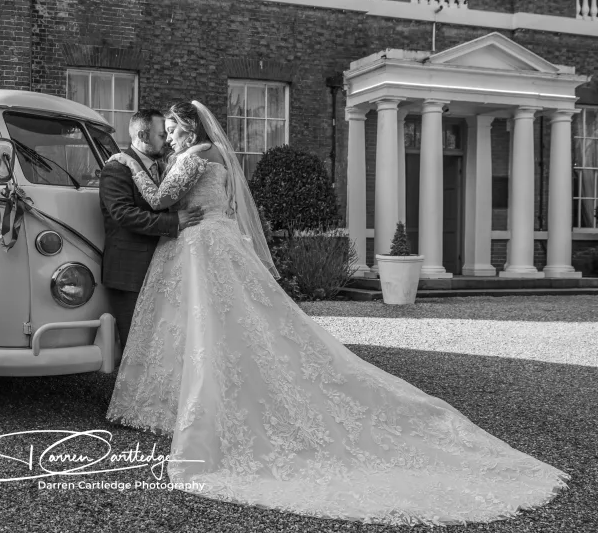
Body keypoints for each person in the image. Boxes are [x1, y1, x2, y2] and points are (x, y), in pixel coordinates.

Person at [104, 100, 569, 526]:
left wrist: (126, 160)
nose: (168, 136)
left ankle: (203, 405)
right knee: (235, 325)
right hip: (219, 242)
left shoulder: (192, 158)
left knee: (206, 326)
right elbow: (220, 205)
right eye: (164, 130)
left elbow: (159, 199)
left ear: (185, 127)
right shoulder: (221, 158)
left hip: (200, 246)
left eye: (170, 128)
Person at [99, 109, 204, 351]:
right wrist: (174, 221)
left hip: (161, 268)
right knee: (135, 347)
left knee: (160, 347)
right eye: (161, 134)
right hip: (130, 273)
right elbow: (123, 214)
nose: (167, 140)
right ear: (143, 135)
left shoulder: (164, 166)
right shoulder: (117, 168)